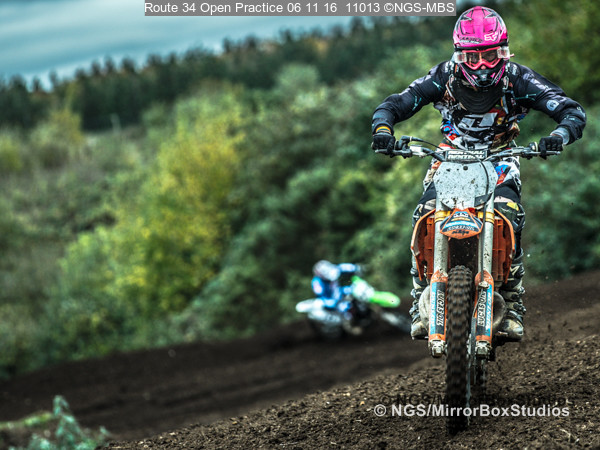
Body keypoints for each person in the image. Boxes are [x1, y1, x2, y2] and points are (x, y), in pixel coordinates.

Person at [371, 6, 586, 340]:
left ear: (504, 52)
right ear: (460, 56)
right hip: (450, 156)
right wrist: (384, 130)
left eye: (490, 55)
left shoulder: (519, 79)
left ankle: (511, 302)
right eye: (473, 58)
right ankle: (419, 299)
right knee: (424, 214)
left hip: (501, 156)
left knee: (509, 214)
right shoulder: (443, 76)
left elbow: (571, 111)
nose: (483, 66)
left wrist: (558, 137)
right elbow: (396, 103)